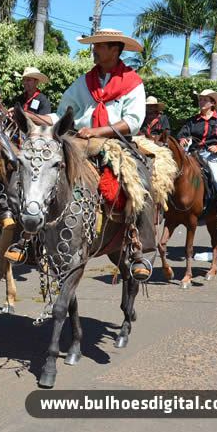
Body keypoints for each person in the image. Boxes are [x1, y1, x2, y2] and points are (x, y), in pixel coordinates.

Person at [23, 28, 151, 280]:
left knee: (139, 179)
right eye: (94, 45)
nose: (94, 50)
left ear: (115, 50)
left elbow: (133, 121)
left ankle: (139, 246)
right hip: (80, 141)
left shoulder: (133, 82)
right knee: (41, 167)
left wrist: (97, 131)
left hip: (116, 141)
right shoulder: (84, 82)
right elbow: (63, 113)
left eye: (99, 46)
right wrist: (36, 118)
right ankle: (28, 236)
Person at [177, 89, 217, 231]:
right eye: (200, 100)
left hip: (212, 155)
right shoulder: (192, 120)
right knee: (178, 174)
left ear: (212, 103)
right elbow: (182, 134)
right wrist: (182, 139)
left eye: (205, 100)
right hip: (194, 154)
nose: (201, 102)